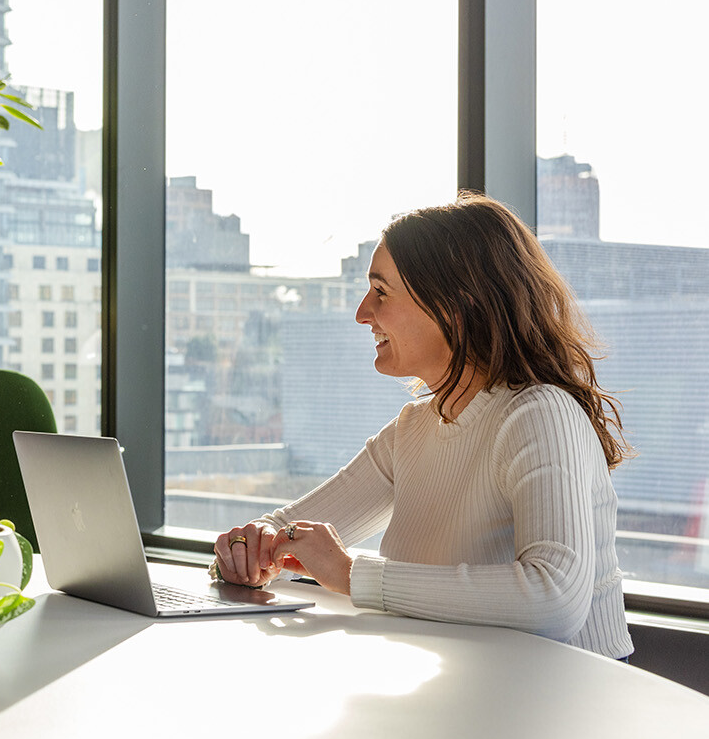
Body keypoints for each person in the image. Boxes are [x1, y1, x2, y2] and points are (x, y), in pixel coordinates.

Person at [214, 193, 633, 659]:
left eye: (381, 292)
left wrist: (353, 575)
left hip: (565, 710)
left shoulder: (540, 414)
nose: (362, 313)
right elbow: (286, 530)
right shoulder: (414, 429)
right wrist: (246, 548)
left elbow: (554, 598)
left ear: (454, 305)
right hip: (467, 699)